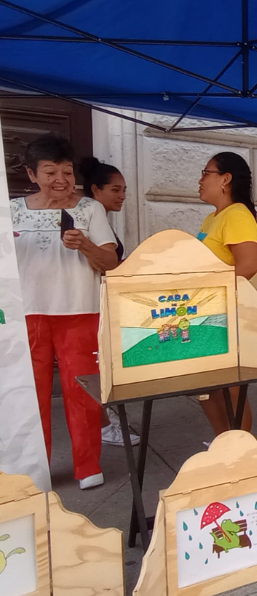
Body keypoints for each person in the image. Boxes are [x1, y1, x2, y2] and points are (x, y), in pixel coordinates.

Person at [12, 133, 119, 489]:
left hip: (80, 310)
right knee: (29, 395)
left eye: (67, 172)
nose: (61, 180)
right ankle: (34, 469)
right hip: (27, 314)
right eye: (50, 172)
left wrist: (85, 244)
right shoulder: (11, 210)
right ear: (31, 174)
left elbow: (111, 263)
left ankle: (87, 465)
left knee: (83, 392)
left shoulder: (90, 209)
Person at [196, 152, 257, 435]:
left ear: (225, 179)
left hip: (224, 313)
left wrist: (209, 291)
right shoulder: (213, 218)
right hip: (204, 313)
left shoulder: (237, 215)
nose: (200, 180)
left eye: (205, 173)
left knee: (231, 387)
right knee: (206, 386)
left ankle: (242, 448)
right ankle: (223, 444)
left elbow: (248, 266)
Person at [80, 157, 141, 448]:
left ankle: (104, 419)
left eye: (125, 190)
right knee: (93, 366)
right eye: (115, 190)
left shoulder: (99, 218)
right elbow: (105, 263)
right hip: (89, 303)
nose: (122, 196)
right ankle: (103, 425)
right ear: (95, 189)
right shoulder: (91, 215)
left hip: (102, 301)